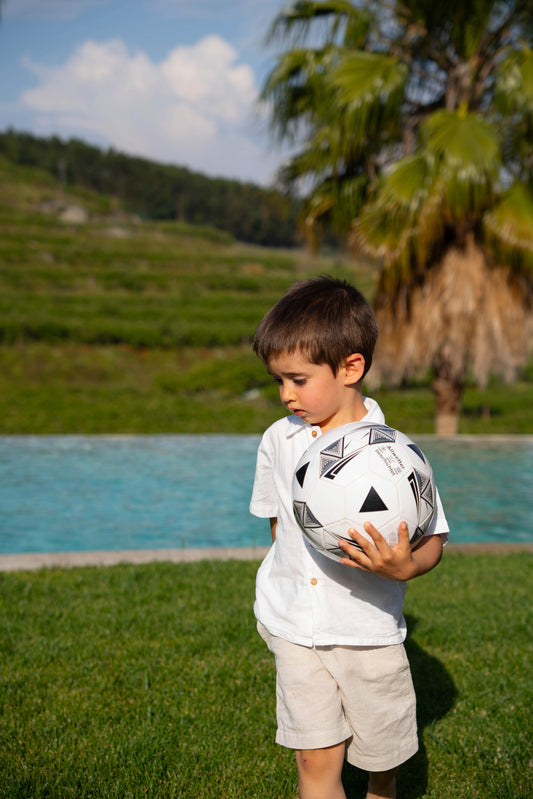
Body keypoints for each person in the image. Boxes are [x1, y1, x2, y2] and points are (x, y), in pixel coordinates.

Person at [249, 276, 449, 799]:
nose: (285, 394)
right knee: (315, 759)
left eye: (296, 379)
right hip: (294, 625)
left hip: (368, 632)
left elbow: (435, 539)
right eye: (278, 381)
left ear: (350, 368)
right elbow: (279, 526)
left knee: (382, 761)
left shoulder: (394, 457)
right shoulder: (279, 440)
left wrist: (408, 567)